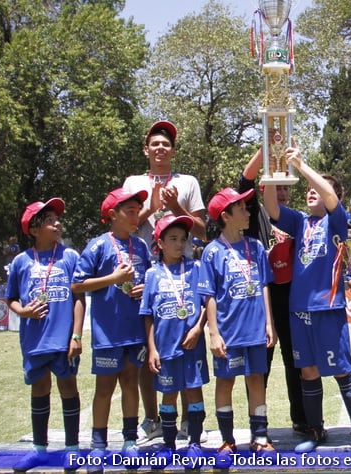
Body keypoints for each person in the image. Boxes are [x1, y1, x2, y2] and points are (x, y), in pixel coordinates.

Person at [263, 146, 351, 456]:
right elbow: (271, 206)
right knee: (307, 371)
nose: (310, 191)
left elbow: (333, 199)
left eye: (316, 189)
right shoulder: (299, 222)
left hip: (328, 307)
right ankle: (315, 429)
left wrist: (302, 165)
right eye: (308, 189)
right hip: (299, 309)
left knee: (341, 371)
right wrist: (274, 167)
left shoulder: (335, 221)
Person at [122, 120, 207, 442]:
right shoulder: (133, 182)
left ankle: (187, 421)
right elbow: (125, 226)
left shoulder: (188, 182)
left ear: (173, 150)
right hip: (145, 269)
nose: (160, 148)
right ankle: (152, 418)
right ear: (146, 149)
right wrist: (152, 208)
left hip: (183, 270)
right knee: (150, 348)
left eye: (166, 144)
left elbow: (200, 230)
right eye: (154, 144)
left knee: (185, 340)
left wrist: (174, 206)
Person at [71, 188, 152, 465]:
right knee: (104, 387)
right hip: (108, 333)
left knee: (130, 383)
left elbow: (149, 281)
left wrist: (143, 289)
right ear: (112, 215)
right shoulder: (98, 245)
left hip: (135, 331)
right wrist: (112, 278)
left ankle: (130, 439)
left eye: (137, 211)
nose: (135, 216)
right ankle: (98, 443)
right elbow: (77, 284)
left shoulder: (141, 246)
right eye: (129, 211)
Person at [199, 187, 277, 462]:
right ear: (226, 216)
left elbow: (265, 285)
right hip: (228, 333)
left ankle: (260, 437)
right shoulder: (211, 252)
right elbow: (208, 296)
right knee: (226, 381)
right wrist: (214, 333)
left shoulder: (255, 247)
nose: (248, 211)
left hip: (256, 329)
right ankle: (227, 440)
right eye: (242, 208)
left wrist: (270, 323)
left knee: (257, 379)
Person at [6, 198, 84, 471]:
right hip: (34, 340)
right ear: (34, 229)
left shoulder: (70, 257)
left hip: (63, 341)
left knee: (68, 388)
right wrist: (23, 312)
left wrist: (75, 335)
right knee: (40, 389)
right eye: (50, 220)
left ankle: (72, 450)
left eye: (57, 219)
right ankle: (39, 450)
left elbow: (78, 298)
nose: (58, 223)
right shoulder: (20, 261)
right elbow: (12, 299)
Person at [238, 147, 308, 435]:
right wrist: (267, 148)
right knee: (259, 364)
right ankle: (259, 424)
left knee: (295, 360)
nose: (280, 194)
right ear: (263, 187)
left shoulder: (294, 217)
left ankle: (302, 420)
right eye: (275, 187)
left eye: (285, 188)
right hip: (260, 299)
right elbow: (245, 180)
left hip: (289, 297)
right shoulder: (252, 214)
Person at [139, 214, 209, 463]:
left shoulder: (196, 268)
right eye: (173, 239)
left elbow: (206, 303)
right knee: (168, 395)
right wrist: (152, 349)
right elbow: (147, 315)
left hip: (192, 346)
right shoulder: (152, 275)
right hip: (165, 348)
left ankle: (194, 443)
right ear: (160, 243)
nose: (180, 244)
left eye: (183, 239)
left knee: (194, 392)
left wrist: (198, 328)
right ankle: (168, 445)